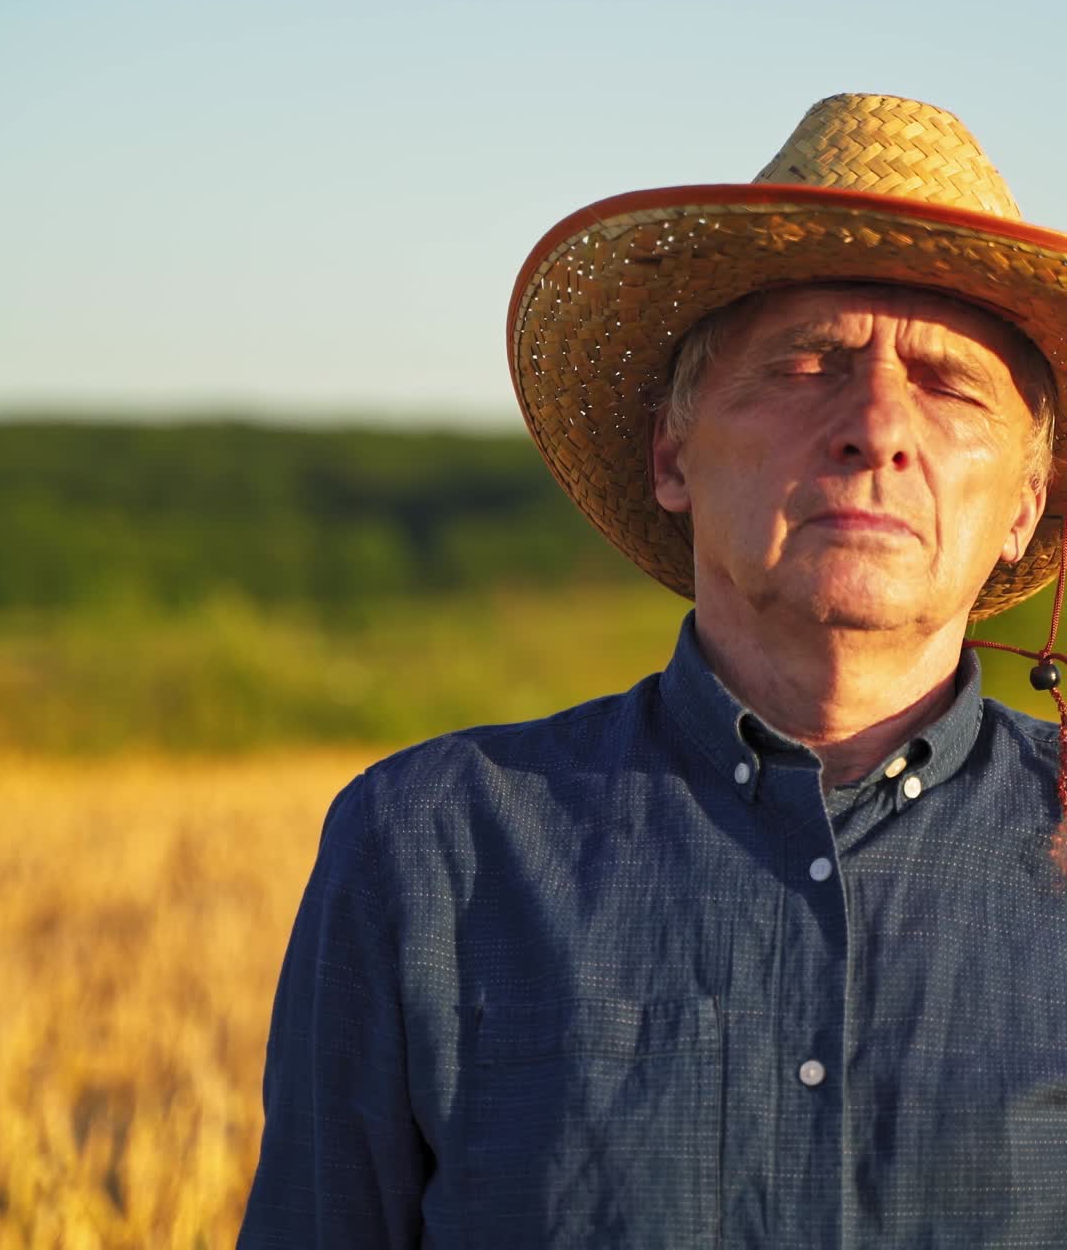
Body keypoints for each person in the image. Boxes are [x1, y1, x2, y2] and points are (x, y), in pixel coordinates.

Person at [237, 94, 1067, 1248]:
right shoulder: (428, 850)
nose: (874, 426)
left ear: (1023, 502)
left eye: (944, 383)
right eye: (807, 363)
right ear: (671, 454)